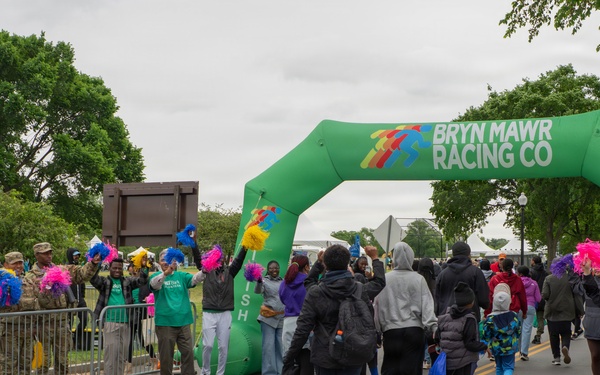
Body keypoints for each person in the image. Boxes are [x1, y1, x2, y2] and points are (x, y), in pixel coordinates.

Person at [283, 244, 385, 375]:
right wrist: (375, 258)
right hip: (353, 352)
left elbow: (303, 329)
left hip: (325, 356)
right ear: (348, 263)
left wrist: (289, 358)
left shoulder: (317, 293)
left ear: (326, 264)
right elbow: (379, 283)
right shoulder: (360, 289)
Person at [21, 242, 101, 375]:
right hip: (43, 324)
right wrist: (44, 290)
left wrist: (92, 263)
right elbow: (29, 302)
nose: (49, 255)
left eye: (50, 252)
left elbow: (81, 275)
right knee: (43, 363)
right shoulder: (30, 277)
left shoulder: (61, 270)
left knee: (63, 361)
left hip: (62, 323)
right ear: (37, 255)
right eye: (45, 253)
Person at [376, 242, 436, 375]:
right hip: (414, 330)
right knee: (412, 370)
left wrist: (377, 329)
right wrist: (433, 327)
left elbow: (377, 306)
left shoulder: (385, 279)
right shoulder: (418, 279)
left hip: (391, 331)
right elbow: (427, 306)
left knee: (391, 369)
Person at [149, 248, 205, 375]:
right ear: (158, 262)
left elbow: (195, 279)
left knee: (188, 355)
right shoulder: (155, 276)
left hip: (184, 322)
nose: (165, 262)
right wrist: (165, 274)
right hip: (165, 324)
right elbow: (154, 285)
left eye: (168, 259)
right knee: (166, 358)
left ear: (174, 261)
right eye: (162, 260)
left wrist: (204, 271)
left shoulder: (181, 276)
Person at [91, 258, 148, 375]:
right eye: (114, 268)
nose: (117, 270)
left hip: (126, 323)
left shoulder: (127, 282)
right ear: (109, 268)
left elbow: (142, 281)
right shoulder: (105, 282)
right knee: (111, 355)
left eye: (119, 268)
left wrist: (143, 268)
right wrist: (96, 263)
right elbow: (93, 279)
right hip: (110, 323)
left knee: (122, 356)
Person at [197, 245, 249, 375]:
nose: (219, 261)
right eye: (216, 258)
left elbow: (239, 259)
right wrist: (194, 243)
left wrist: (246, 245)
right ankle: (206, 372)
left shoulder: (230, 271)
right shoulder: (206, 271)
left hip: (225, 314)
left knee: (223, 347)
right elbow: (199, 260)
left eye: (221, 258)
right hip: (209, 313)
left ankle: (220, 373)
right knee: (208, 345)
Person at [436, 282, 488, 375]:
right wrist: (484, 346)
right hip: (463, 363)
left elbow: (437, 336)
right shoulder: (469, 319)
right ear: (470, 302)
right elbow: (469, 343)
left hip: (446, 362)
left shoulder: (445, 316)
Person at [435, 241, 490, 322]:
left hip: (446, 319)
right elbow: (484, 300)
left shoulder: (442, 274)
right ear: (468, 254)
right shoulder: (476, 272)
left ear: (453, 254)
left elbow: (437, 300)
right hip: (470, 320)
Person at [279, 254, 312, 375]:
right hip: (306, 323)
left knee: (290, 361)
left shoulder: (284, 283)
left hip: (288, 323)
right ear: (307, 267)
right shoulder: (309, 282)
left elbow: (282, 299)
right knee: (306, 359)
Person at [0, 251, 32, 374]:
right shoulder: (2, 281)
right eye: (15, 263)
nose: (18, 266)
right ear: (6, 265)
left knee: (26, 363)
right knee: (9, 363)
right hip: (8, 329)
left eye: (20, 263)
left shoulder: (27, 281)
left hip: (26, 329)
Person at [542, 259, 576, 366]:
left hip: (552, 310)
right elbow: (577, 294)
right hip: (567, 309)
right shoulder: (569, 279)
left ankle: (556, 357)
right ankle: (565, 346)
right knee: (566, 332)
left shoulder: (548, 279)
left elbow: (545, 295)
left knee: (553, 335)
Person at [482, 284, 521, 375]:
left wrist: (485, 344)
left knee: (499, 366)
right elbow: (518, 330)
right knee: (508, 367)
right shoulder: (514, 316)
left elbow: (486, 334)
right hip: (510, 346)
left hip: (496, 347)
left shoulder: (490, 318)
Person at [254, 260, 285, 375]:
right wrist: (258, 282)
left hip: (281, 318)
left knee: (281, 348)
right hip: (268, 319)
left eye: (276, 267)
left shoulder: (284, 282)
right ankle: (269, 373)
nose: (274, 270)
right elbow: (257, 291)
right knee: (268, 348)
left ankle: (281, 371)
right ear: (268, 269)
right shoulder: (264, 281)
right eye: (271, 268)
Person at [126, 263, 159, 371]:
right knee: (129, 340)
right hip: (131, 313)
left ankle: (155, 360)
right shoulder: (128, 282)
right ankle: (129, 366)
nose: (133, 273)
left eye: (135, 271)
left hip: (141, 313)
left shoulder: (144, 282)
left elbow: (151, 292)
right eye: (132, 272)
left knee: (144, 340)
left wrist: (148, 299)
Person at [66, 247, 89, 350]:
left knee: (84, 319)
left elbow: (82, 282)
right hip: (70, 301)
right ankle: (69, 343)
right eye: (75, 255)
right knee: (69, 323)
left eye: (78, 255)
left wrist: (82, 296)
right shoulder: (66, 269)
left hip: (80, 301)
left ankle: (76, 339)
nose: (77, 257)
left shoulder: (80, 268)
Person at [517, 265, 541, 361]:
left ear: (520, 274)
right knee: (527, 330)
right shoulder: (534, 283)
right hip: (530, 306)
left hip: (518, 307)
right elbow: (538, 298)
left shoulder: (517, 282)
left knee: (518, 329)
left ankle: (518, 350)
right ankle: (524, 352)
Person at [581, 258, 600, 375]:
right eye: (596, 265)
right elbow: (592, 291)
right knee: (596, 356)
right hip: (592, 325)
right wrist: (586, 272)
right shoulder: (588, 282)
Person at [417, 257, 437, 369]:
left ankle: (423, 360)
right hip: (432, 316)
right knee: (431, 343)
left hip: (418, 318)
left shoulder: (416, 281)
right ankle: (429, 360)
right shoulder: (435, 282)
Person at [530, 255, 548, 344]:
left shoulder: (532, 272)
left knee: (530, 317)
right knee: (541, 317)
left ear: (533, 261)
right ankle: (538, 334)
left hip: (533, 297)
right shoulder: (545, 272)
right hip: (543, 296)